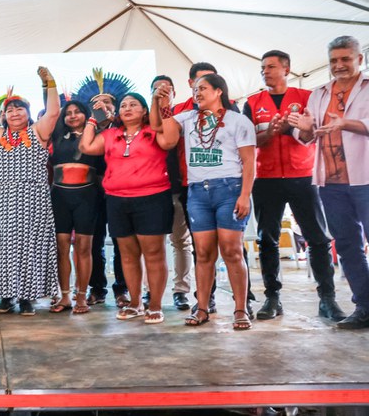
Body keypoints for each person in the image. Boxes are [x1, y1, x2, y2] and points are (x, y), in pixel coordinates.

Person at [244, 50, 345, 321]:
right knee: (267, 240)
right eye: (262, 67)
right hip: (266, 179)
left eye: (271, 67)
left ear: (286, 69)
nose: (265, 71)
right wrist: (271, 132)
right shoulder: (253, 103)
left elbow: (314, 135)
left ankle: (327, 299)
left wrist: (304, 128)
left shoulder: (306, 98)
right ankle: (272, 298)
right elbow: (250, 142)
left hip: (303, 177)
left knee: (318, 239)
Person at [156, 73, 256, 330]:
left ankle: (240, 309)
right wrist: (162, 105)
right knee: (203, 253)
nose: (197, 93)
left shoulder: (238, 121)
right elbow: (166, 138)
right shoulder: (186, 118)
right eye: (195, 89)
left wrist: (244, 195)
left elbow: (249, 162)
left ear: (218, 91)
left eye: (203, 88)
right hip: (198, 192)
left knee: (232, 251)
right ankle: (201, 307)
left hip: (230, 189)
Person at [289, 35, 369, 329]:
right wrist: (306, 129)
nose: (339, 65)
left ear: (360, 59)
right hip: (330, 182)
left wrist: (345, 123)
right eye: (334, 60)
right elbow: (308, 137)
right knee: (347, 245)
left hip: (365, 180)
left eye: (346, 59)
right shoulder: (318, 93)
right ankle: (364, 307)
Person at [79, 92, 177, 324]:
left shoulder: (154, 132)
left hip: (152, 198)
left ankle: (155, 304)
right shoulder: (110, 134)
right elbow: (86, 146)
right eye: (123, 105)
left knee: (153, 254)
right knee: (128, 254)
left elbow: (171, 141)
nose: (128, 108)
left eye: (134, 105)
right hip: (117, 199)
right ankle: (135, 303)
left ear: (144, 111)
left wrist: (164, 107)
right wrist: (94, 118)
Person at [0, 67, 61, 315]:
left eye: (19, 108)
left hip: (33, 197)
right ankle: (7, 296)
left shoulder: (38, 132)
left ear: (29, 113)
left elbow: (54, 111)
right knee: (4, 247)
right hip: (3, 197)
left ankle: (27, 298)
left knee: (31, 246)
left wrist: (49, 83)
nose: (14, 112)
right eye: (9, 109)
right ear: (3, 116)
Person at [77, 70, 136, 309]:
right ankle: (97, 288)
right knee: (94, 243)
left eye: (108, 103)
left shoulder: (124, 130)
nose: (101, 106)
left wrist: (112, 121)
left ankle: (123, 288)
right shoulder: (83, 131)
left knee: (123, 242)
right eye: (95, 104)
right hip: (90, 193)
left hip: (120, 191)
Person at [48, 99, 102, 314]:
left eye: (77, 112)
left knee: (83, 248)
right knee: (61, 248)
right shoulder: (57, 137)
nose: (72, 116)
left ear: (85, 114)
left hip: (87, 196)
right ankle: (65, 296)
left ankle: (82, 297)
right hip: (59, 196)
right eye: (68, 113)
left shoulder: (96, 137)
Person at [150, 76, 193, 311]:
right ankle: (149, 291)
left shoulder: (183, 117)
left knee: (180, 241)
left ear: (175, 92)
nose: (162, 93)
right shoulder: (145, 121)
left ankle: (181, 290)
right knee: (150, 244)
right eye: (157, 90)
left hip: (178, 187)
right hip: (151, 190)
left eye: (166, 89)